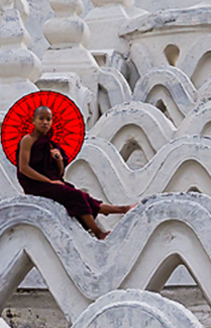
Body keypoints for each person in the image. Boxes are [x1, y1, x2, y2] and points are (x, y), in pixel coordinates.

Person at [14, 100, 131, 240]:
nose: (45, 122)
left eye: (48, 119)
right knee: (76, 197)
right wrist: (49, 182)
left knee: (85, 197)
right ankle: (98, 232)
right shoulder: (28, 140)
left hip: (50, 182)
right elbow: (24, 168)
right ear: (33, 121)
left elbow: (59, 173)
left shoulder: (51, 144)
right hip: (35, 185)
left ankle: (123, 209)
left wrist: (58, 160)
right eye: (41, 119)